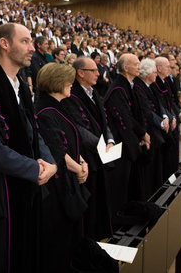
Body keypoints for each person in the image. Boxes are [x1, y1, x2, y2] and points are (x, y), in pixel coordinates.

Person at [0, 23, 57, 273]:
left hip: (26, 185)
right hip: (1, 194)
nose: (32, 48)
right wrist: (35, 169)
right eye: (25, 42)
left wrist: (50, 163)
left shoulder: (18, 84)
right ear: (4, 44)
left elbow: (32, 130)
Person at [34, 63, 89, 272]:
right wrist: (79, 168)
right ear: (57, 82)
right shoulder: (46, 110)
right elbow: (56, 150)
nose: (71, 85)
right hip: (59, 187)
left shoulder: (56, 106)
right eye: (68, 81)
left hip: (71, 177)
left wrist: (82, 161)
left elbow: (71, 141)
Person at [60, 56, 116, 240]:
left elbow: (104, 120)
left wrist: (110, 141)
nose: (98, 73)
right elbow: (78, 128)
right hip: (87, 155)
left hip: (101, 152)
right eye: (94, 70)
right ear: (81, 73)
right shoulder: (71, 94)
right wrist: (101, 147)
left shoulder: (93, 92)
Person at [104, 54, 150, 204]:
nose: (139, 67)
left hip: (132, 139)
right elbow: (124, 119)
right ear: (125, 68)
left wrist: (142, 132)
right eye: (136, 64)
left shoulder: (130, 85)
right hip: (120, 144)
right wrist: (140, 136)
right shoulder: (118, 89)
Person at [133, 58, 168, 198]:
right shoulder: (139, 87)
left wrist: (164, 117)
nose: (155, 75)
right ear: (148, 74)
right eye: (154, 72)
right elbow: (146, 111)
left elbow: (159, 105)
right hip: (149, 131)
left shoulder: (150, 86)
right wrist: (161, 122)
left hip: (156, 130)